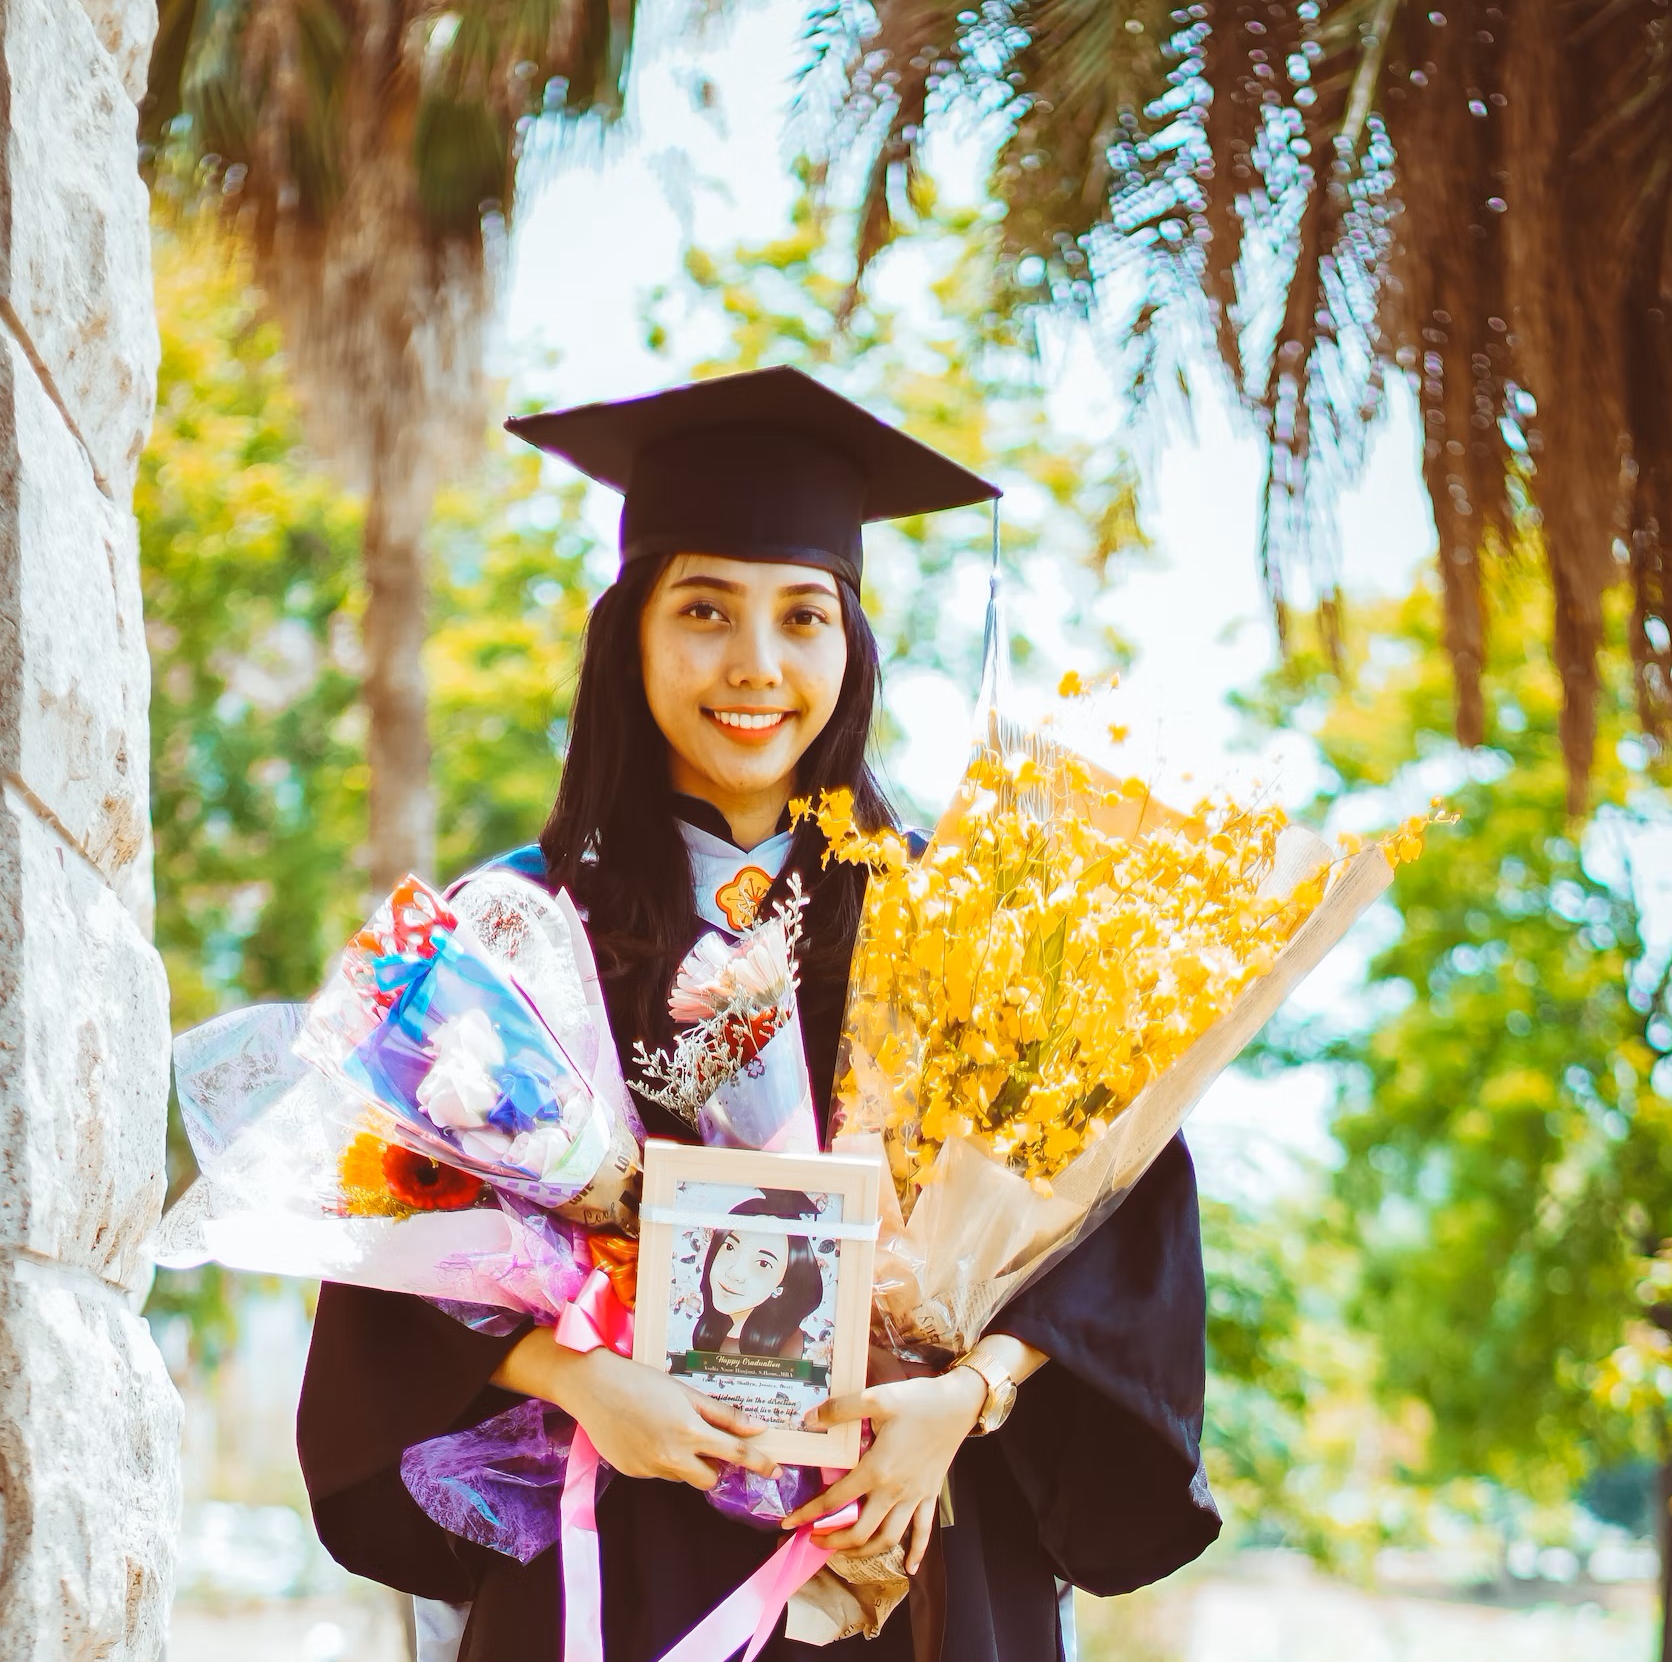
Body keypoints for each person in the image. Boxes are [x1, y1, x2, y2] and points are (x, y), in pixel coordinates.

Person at [297, 366, 1221, 1662]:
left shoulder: (966, 926)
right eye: (704, 610)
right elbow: (389, 1249)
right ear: (630, 632)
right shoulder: (518, 933)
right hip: (628, 1543)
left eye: (802, 615)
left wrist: (958, 1399)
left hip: (909, 1538)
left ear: (851, 643)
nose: (755, 664)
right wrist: (577, 1379)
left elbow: (1122, 1231)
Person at [689, 1192, 825, 1362]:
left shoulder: (787, 1341)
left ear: (782, 1284)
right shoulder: (711, 1329)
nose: (734, 1273)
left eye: (762, 1263)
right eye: (730, 1247)